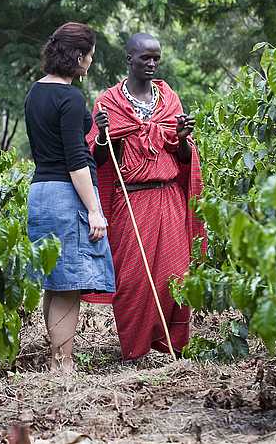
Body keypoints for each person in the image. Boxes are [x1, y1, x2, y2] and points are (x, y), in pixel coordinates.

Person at [83, 32, 205, 360]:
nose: (151, 64)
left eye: (156, 59)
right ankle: (135, 351)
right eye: (145, 58)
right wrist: (105, 135)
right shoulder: (109, 102)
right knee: (133, 279)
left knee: (175, 274)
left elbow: (182, 157)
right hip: (131, 200)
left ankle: (170, 347)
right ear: (130, 60)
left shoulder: (169, 100)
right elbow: (99, 159)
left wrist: (182, 138)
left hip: (169, 198)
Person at [23, 22, 116, 373]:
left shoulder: (35, 92)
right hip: (66, 194)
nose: (91, 61)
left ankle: (57, 361)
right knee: (67, 285)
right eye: (90, 54)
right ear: (78, 56)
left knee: (54, 280)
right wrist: (94, 210)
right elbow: (76, 160)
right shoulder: (71, 97)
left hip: (40, 193)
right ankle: (63, 365)